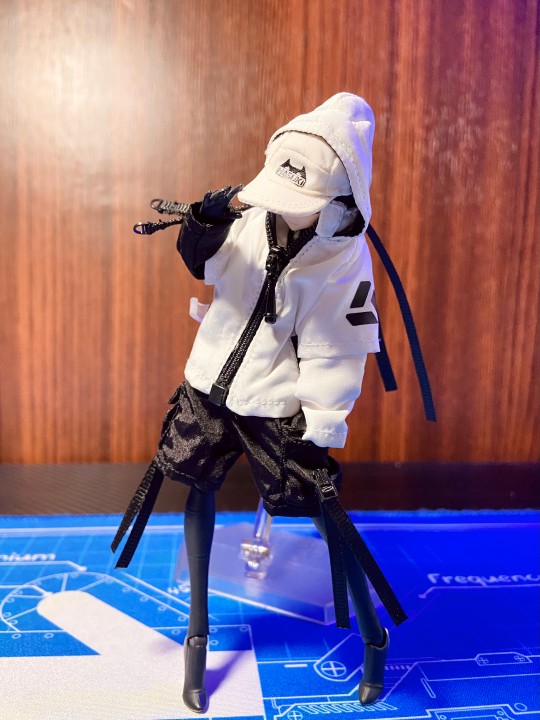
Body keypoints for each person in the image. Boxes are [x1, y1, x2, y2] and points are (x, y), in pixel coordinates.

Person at [113, 93, 406, 712]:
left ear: (339, 199)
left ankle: (373, 637)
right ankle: (197, 635)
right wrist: (205, 221)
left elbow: (336, 347)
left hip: (276, 402)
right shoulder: (255, 217)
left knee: (324, 509)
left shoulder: (341, 259)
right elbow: (206, 266)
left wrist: (323, 420)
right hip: (209, 383)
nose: (280, 207)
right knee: (195, 484)